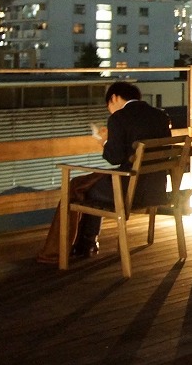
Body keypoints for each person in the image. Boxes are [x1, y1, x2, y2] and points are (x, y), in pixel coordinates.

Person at [37, 81, 173, 263]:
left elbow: (114, 157)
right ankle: (86, 244)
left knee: (78, 187)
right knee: (90, 186)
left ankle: (62, 250)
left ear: (114, 98)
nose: (110, 109)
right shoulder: (160, 117)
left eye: (109, 104)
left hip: (128, 192)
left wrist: (104, 142)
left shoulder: (119, 118)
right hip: (156, 190)